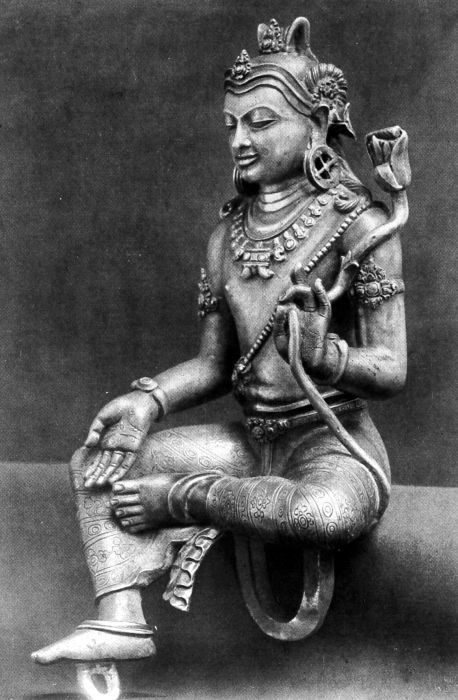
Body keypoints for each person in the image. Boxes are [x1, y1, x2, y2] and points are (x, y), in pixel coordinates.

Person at [33, 16, 406, 664]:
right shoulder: (225, 236)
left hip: (333, 445)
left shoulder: (361, 226)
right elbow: (214, 364)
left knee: (319, 515)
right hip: (250, 445)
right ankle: (120, 617)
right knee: (99, 462)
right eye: (231, 124)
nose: (238, 140)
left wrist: (324, 356)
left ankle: (187, 500)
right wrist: (147, 401)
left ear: (317, 125)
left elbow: (392, 367)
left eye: (259, 122)